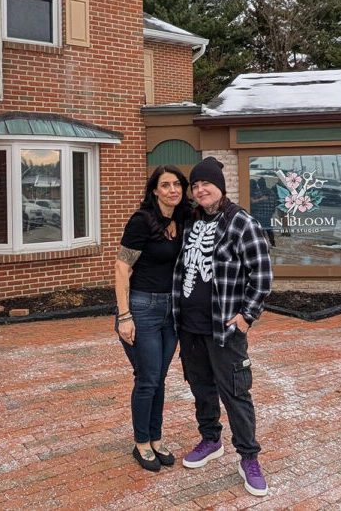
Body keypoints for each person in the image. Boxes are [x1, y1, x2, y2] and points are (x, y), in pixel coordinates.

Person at [173, 156, 273, 497]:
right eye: (195, 185)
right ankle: (210, 439)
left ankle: (249, 457)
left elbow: (262, 276)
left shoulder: (242, 223)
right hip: (190, 327)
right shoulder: (189, 222)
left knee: (235, 392)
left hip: (225, 327)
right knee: (200, 386)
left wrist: (246, 317)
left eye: (206, 184)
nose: (200, 189)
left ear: (220, 186)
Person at [114, 165, 189, 472]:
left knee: (159, 377)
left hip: (171, 309)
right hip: (142, 307)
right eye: (165, 185)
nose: (173, 189)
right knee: (146, 379)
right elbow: (121, 268)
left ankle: (156, 438)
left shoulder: (182, 219)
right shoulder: (141, 221)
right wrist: (124, 316)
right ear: (155, 190)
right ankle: (141, 442)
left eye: (177, 185)